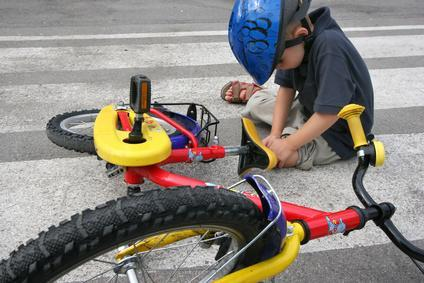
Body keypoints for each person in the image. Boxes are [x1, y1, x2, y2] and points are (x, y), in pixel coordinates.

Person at [225, 0, 374, 170]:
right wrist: (275, 134)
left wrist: (288, 144)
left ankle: (293, 133)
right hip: (309, 109)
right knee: (256, 105)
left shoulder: (330, 47)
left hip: (339, 131)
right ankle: (257, 96)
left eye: (279, 62)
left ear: (300, 34)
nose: (278, 67)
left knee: (283, 156)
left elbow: (330, 113)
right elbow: (286, 88)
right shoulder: (294, 44)